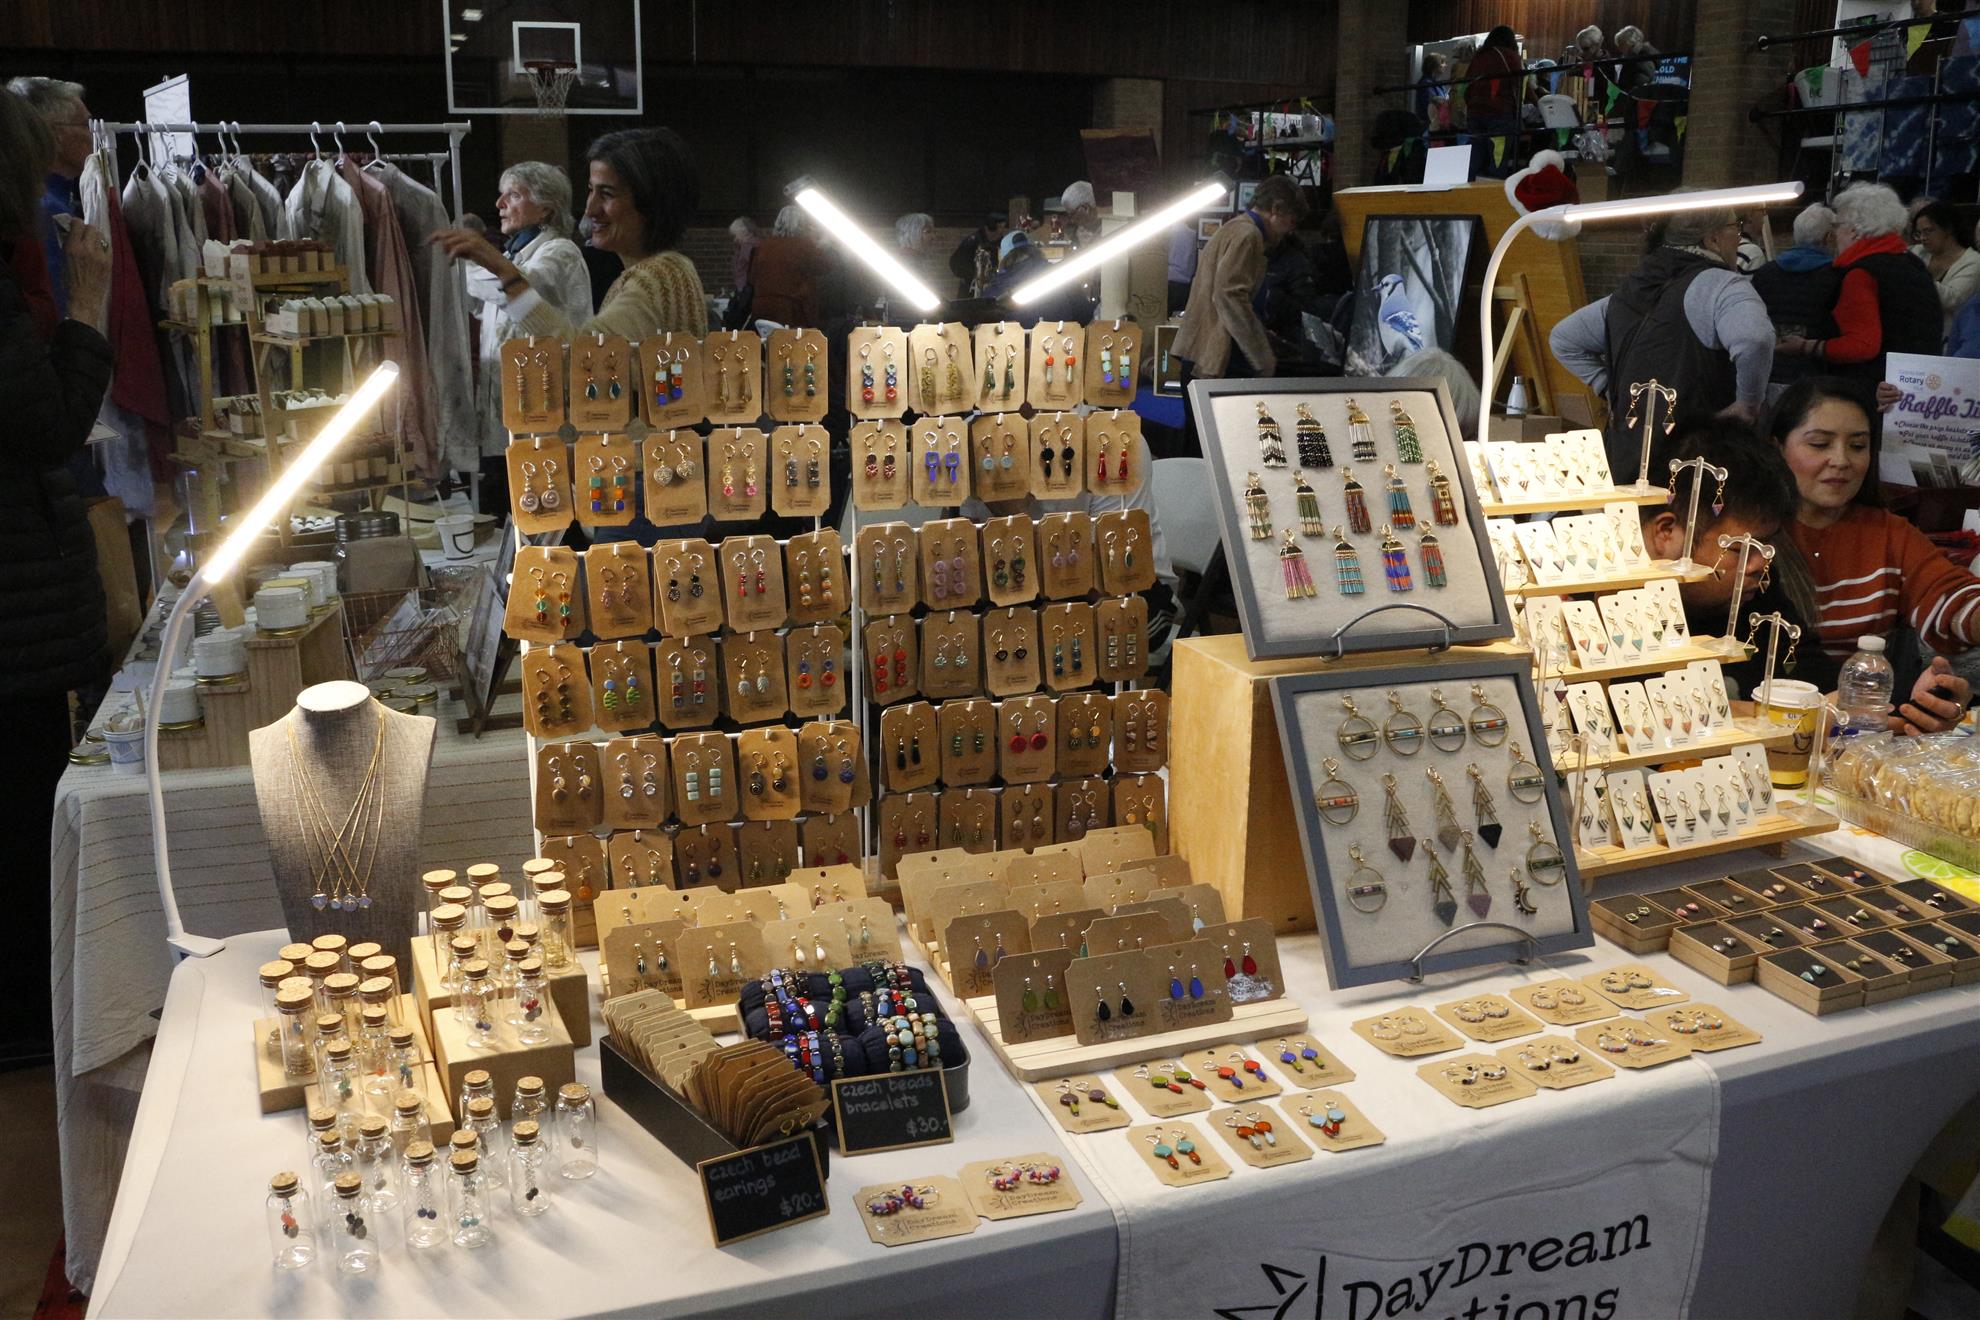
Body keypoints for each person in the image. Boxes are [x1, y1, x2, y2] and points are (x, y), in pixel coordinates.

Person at [0, 90, 115, 1066]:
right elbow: (47, 426)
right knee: (23, 815)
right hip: (17, 613)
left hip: (22, 609)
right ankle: (35, 1024)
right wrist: (87, 307)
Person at [1770, 377, 1976, 733]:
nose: (1841, 460)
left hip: (1863, 738)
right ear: (1776, 449)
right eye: (1820, 444)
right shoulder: (1750, 534)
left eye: (1858, 446)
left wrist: (1931, 705)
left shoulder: (1887, 533)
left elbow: (1949, 596)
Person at [1549, 203, 1775, 475]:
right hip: (1698, 463)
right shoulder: (1720, 285)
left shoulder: (1633, 287)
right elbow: (1755, 340)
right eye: (1734, 227)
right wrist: (1748, 404)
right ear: (1712, 239)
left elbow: (1564, 339)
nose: (1738, 237)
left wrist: (1611, 388)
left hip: (1629, 459)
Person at [433, 126, 706, 339]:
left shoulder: (657, 278)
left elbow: (582, 359)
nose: (590, 209)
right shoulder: (652, 274)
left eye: (607, 194)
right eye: (590, 191)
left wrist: (503, 271)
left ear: (650, 203)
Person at [1638, 417, 1835, 697]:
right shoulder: (1590, 598)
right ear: (1666, 532)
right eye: (1740, 549)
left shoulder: (1753, 586)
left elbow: (1811, 669)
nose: (1761, 564)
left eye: (1764, 545)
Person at [460, 162, 591, 461]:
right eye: (501, 194)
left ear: (546, 209)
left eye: (514, 195)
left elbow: (514, 285)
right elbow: (484, 306)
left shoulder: (560, 252)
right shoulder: (513, 255)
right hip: (506, 414)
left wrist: (463, 262)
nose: (499, 204)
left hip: (544, 414)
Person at [1775, 182, 1940, 387]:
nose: (1834, 235)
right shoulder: (1913, 264)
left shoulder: (1861, 274)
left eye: (1837, 226)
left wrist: (1806, 347)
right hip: (1915, 387)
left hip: (1869, 389)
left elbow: (1861, 346)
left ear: (1854, 231)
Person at [5, 76, 90, 316]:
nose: (94, 135)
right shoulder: (46, 210)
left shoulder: (53, 201)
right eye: (86, 124)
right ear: (54, 134)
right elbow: (58, 312)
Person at [1751, 204, 1840, 388]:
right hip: (1818, 374)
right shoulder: (1838, 276)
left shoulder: (1764, 273)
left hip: (1770, 371)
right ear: (1829, 237)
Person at [746, 204, 829, 327]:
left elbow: (752, 278)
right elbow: (826, 266)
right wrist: (823, 243)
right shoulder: (804, 245)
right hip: (791, 308)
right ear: (803, 224)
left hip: (761, 306)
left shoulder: (764, 246)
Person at [1464, 26, 1529, 176]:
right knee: (1497, 158)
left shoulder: (1479, 56)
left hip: (1475, 113)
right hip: (1499, 112)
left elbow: (1467, 84)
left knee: (1475, 155)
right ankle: (1493, 187)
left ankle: (1471, 185)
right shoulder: (1511, 56)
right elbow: (1520, 84)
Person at [1911, 200, 1980, 341]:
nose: (1922, 238)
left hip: (1948, 338)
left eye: (1928, 231)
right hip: (1914, 332)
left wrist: (1913, 277)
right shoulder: (1916, 251)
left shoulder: (1974, 261)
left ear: (1949, 229)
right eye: (1919, 233)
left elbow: (1953, 299)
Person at [948, 211, 1007, 297]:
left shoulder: (1002, 243)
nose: (1001, 231)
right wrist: (973, 275)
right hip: (970, 290)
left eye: (1003, 227)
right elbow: (954, 263)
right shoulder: (972, 242)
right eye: (1000, 227)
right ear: (990, 227)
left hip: (993, 290)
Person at [727, 215, 759, 296]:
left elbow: (742, 270)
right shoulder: (747, 246)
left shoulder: (748, 247)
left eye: (736, 235)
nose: (735, 240)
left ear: (745, 233)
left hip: (746, 290)